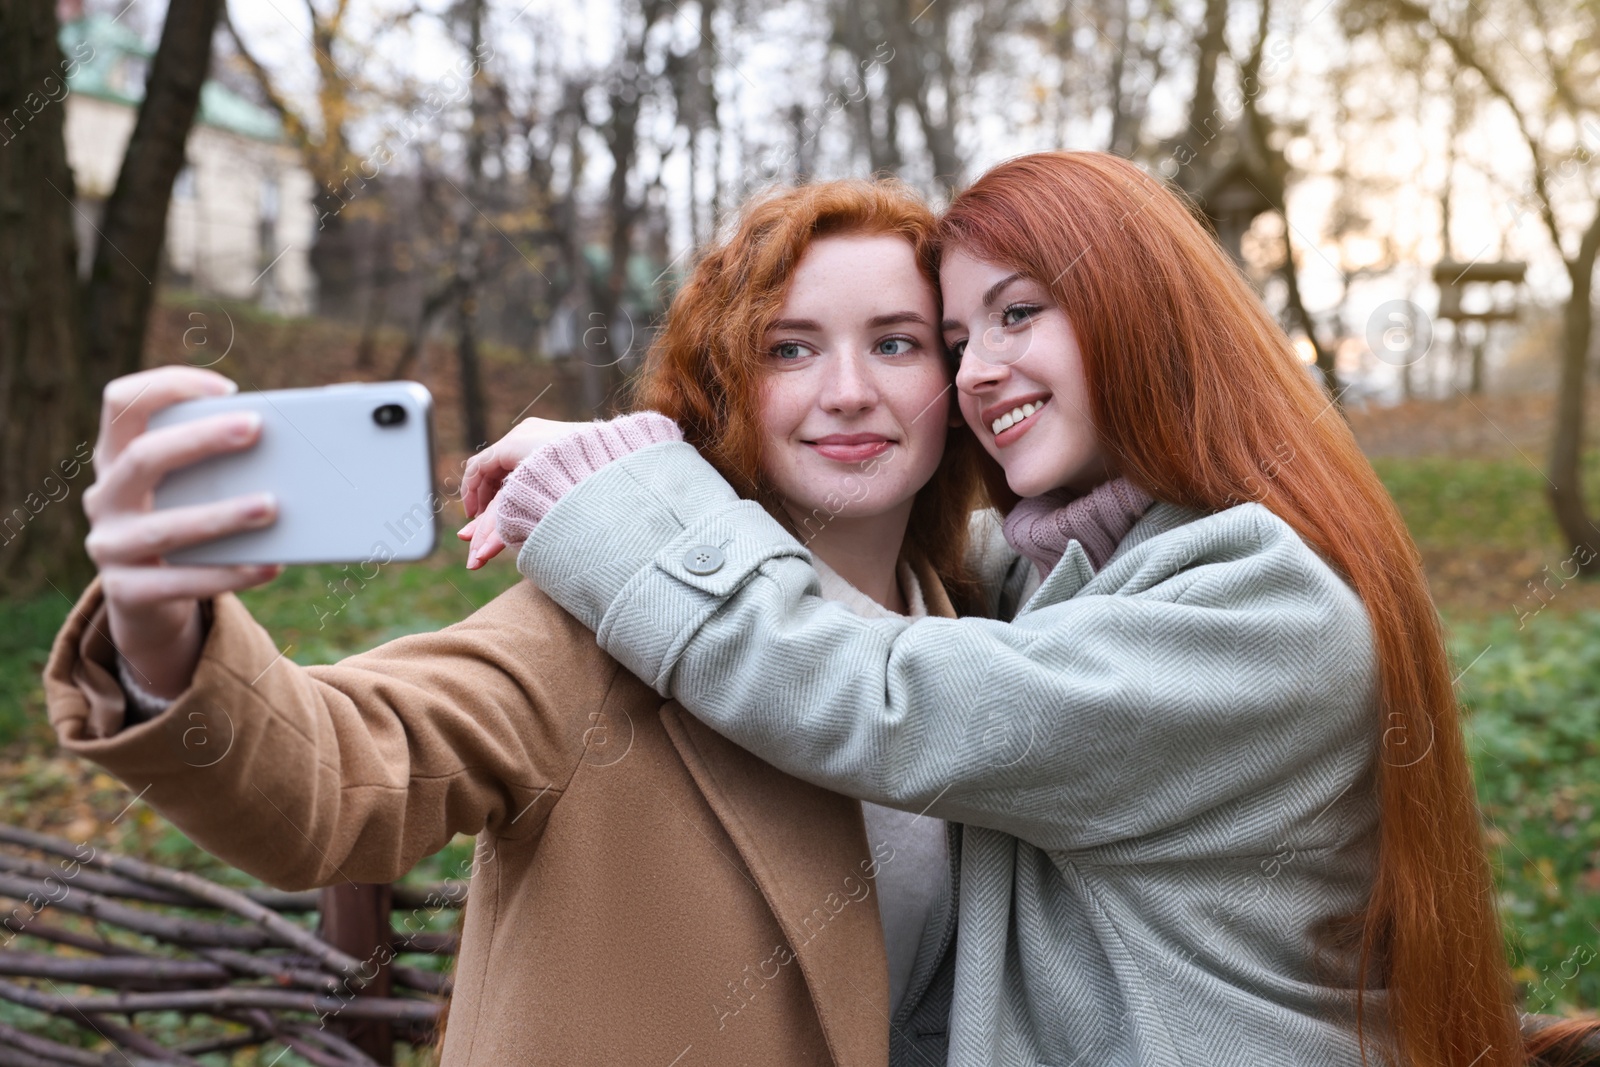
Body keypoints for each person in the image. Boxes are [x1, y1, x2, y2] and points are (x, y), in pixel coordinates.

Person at [463, 152, 1597, 1067]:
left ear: (1143, 315)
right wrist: (663, 463)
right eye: (954, 341)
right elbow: (925, 570)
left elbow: (886, 698)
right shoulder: (1088, 573)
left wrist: (625, 500)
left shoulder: (1266, 611)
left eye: (1019, 315)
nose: (974, 374)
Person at [43, 180, 997, 1065]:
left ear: (955, 384)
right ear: (725, 387)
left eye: (897, 342)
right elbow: (334, 779)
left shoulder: (991, 633)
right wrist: (159, 628)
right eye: (789, 347)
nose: (848, 391)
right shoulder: (597, 633)